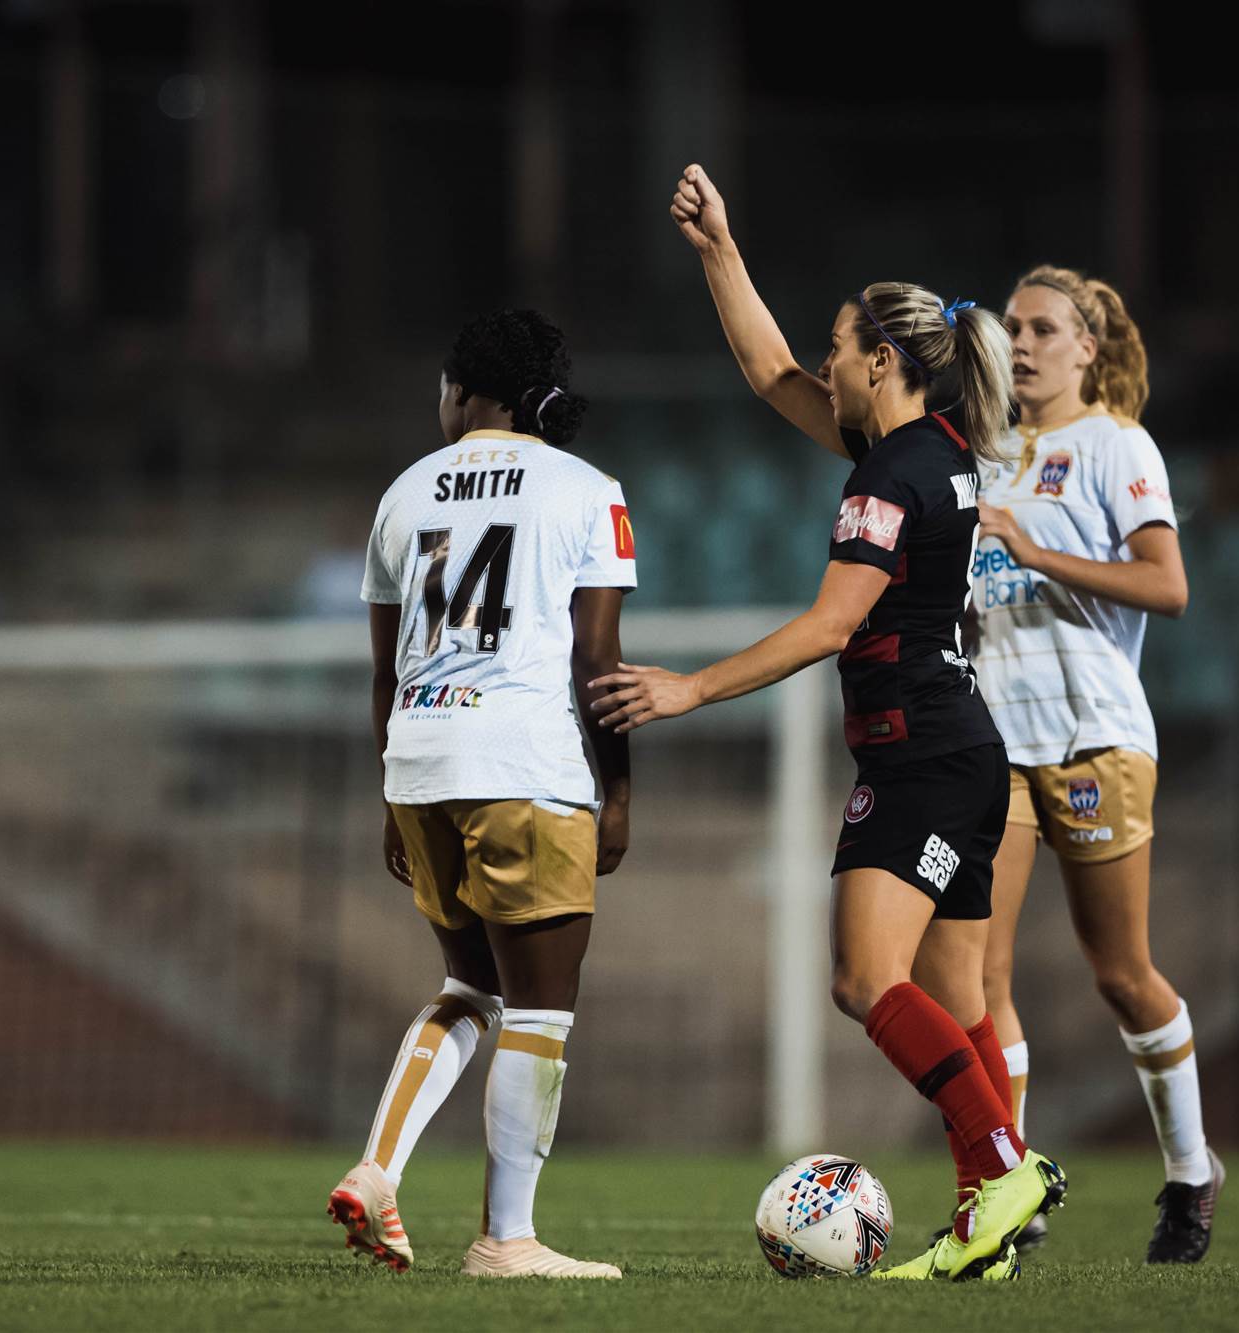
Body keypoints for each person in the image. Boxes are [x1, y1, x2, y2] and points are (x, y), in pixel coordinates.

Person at [591, 164, 1065, 1284]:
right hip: (954, 752)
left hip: (919, 763)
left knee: (863, 981)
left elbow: (827, 624)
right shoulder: (927, 451)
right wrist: (718, 248)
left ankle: (1005, 1169)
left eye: (838, 348)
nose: (823, 364)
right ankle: (980, 1237)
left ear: (881, 362)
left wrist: (686, 689)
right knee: (953, 1001)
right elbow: (766, 372)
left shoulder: (886, 477)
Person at [328, 309, 634, 1280]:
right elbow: (597, 663)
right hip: (526, 760)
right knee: (540, 1008)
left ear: (464, 389)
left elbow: (383, 671)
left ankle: (378, 1170)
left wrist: (391, 793)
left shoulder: (403, 492)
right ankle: (507, 1239)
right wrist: (616, 792)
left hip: (419, 758)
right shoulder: (588, 491)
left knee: (469, 986)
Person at [969, 265, 1223, 1263]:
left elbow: (1166, 584)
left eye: (1042, 329)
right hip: (994, 745)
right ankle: (1011, 1184)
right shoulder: (983, 453)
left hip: (1091, 739)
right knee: (978, 975)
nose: (1022, 344)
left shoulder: (1115, 444)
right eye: (1013, 327)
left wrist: (1036, 552)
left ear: (1087, 348)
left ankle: (1190, 1172)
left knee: (1119, 973)